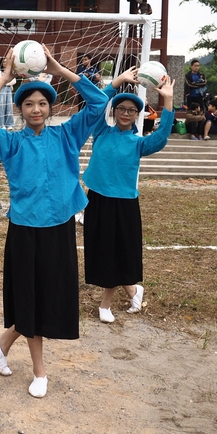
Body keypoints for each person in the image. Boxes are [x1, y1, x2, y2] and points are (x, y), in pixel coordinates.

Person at [0, 46, 108, 399]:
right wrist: (4, 79)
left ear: (50, 107)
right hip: (25, 229)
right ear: (20, 109)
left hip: (59, 227)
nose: (36, 109)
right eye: (29, 104)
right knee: (31, 296)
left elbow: (98, 103)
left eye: (43, 103)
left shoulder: (67, 135)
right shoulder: (10, 143)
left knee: (50, 296)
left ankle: (3, 341)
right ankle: (39, 371)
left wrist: (60, 71)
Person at [83, 69, 174, 324]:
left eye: (132, 110)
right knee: (103, 251)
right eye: (121, 108)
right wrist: (118, 82)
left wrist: (167, 100)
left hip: (124, 205)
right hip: (97, 200)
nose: (125, 113)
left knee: (117, 252)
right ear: (114, 112)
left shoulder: (138, 143)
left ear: (137, 115)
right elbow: (96, 103)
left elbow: (162, 137)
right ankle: (133, 291)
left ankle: (105, 304)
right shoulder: (101, 131)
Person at [0, 58, 16, 130]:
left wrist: (5, 82)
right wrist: (7, 82)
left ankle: (9, 124)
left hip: (9, 89)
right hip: (1, 89)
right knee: (1, 106)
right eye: (4, 62)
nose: (5, 63)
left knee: (9, 106)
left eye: (6, 62)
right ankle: (1, 125)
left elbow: (14, 81)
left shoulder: (11, 71)